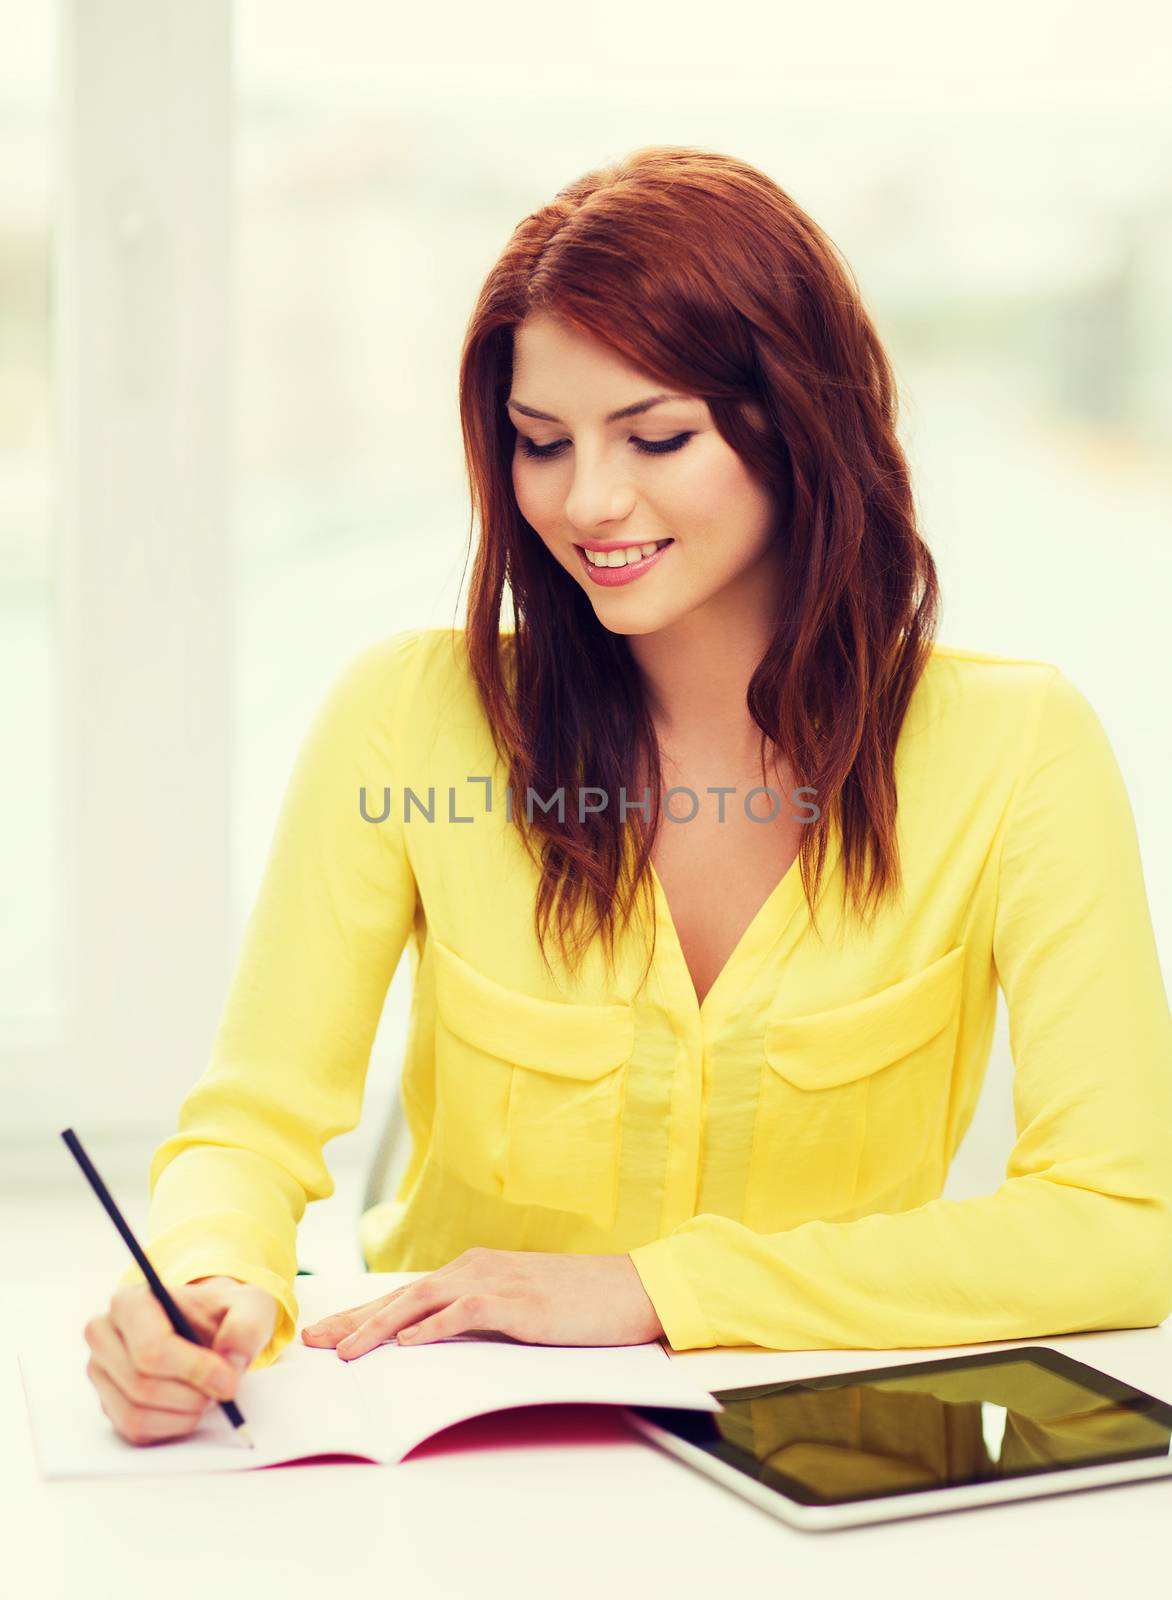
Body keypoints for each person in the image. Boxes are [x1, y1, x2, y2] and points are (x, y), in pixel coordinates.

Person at [83, 144, 1172, 1448]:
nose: (589, 500)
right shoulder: (408, 720)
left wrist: (659, 1293)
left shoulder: (1017, 748)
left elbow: (1121, 1227)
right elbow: (250, 1129)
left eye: (658, 435)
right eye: (541, 443)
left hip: (831, 1465)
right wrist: (206, 1280)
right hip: (462, 1459)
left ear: (799, 426)